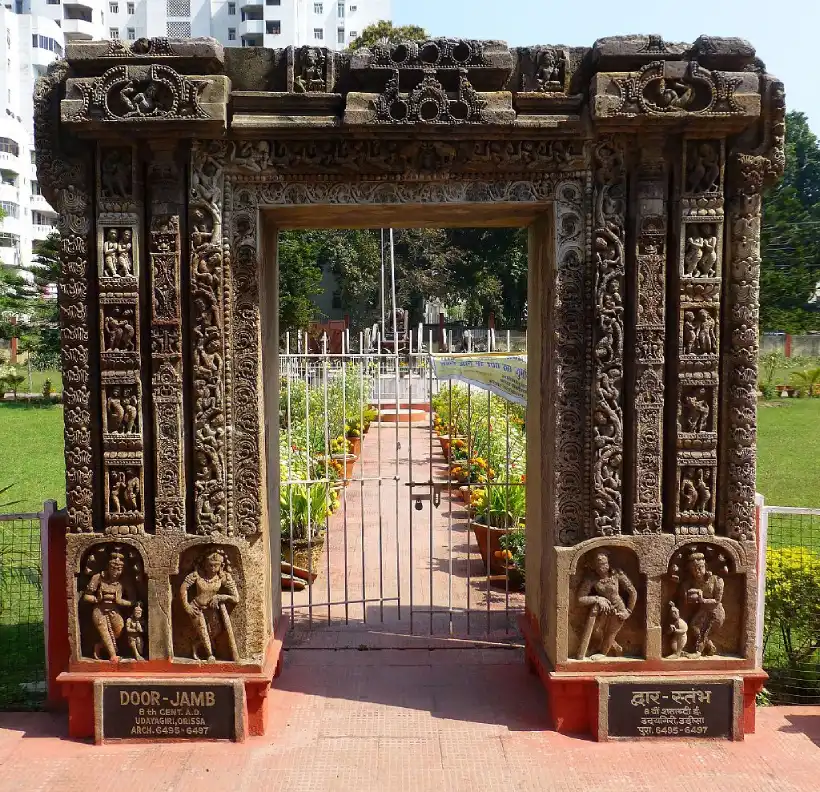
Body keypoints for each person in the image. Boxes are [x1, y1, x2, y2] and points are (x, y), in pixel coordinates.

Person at [179, 549, 239, 661]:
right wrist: (186, 606)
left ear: (221, 566)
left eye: (216, 565)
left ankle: (196, 644)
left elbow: (236, 598)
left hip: (212, 609)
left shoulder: (223, 578)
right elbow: (183, 588)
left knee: (216, 631)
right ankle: (210, 655)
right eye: (210, 565)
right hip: (196, 607)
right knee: (203, 631)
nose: (212, 568)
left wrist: (221, 597)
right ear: (205, 565)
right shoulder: (197, 575)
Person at [575, 550, 637, 659]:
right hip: (603, 610)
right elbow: (580, 599)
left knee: (610, 633)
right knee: (596, 631)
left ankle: (603, 653)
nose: (603, 567)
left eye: (605, 564)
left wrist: (628, 611)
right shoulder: (591, 579)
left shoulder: (616, 574)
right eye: (599, 565)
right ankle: (616, 649)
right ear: (594, 566)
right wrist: (597, 598)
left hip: (618, 609)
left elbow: (632, 592)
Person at [83, 549, 134, 660]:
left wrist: (120, 601)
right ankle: (113, 656)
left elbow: (132, 601)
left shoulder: (124, 581)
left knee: (119, 630)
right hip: (99, 610)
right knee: (105, 633)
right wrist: (97, 599)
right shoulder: (98, 577)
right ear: (108, 567)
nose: (115, 573)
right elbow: (86, 596)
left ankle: (99, 645)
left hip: (114, 610)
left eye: (119, 569)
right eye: (113, 568)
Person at [676, 548, 725, 656]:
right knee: (694, 626)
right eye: (694, 569)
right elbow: (685, 591)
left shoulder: (717, 580)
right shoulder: (693, 582)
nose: (697, 571)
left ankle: (698, 652)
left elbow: (717, 600)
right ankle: (711, 648)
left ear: (706, 566)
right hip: (704, 611)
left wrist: (702, 599)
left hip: (715, 612)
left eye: (700, 567)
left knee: (703, 630)